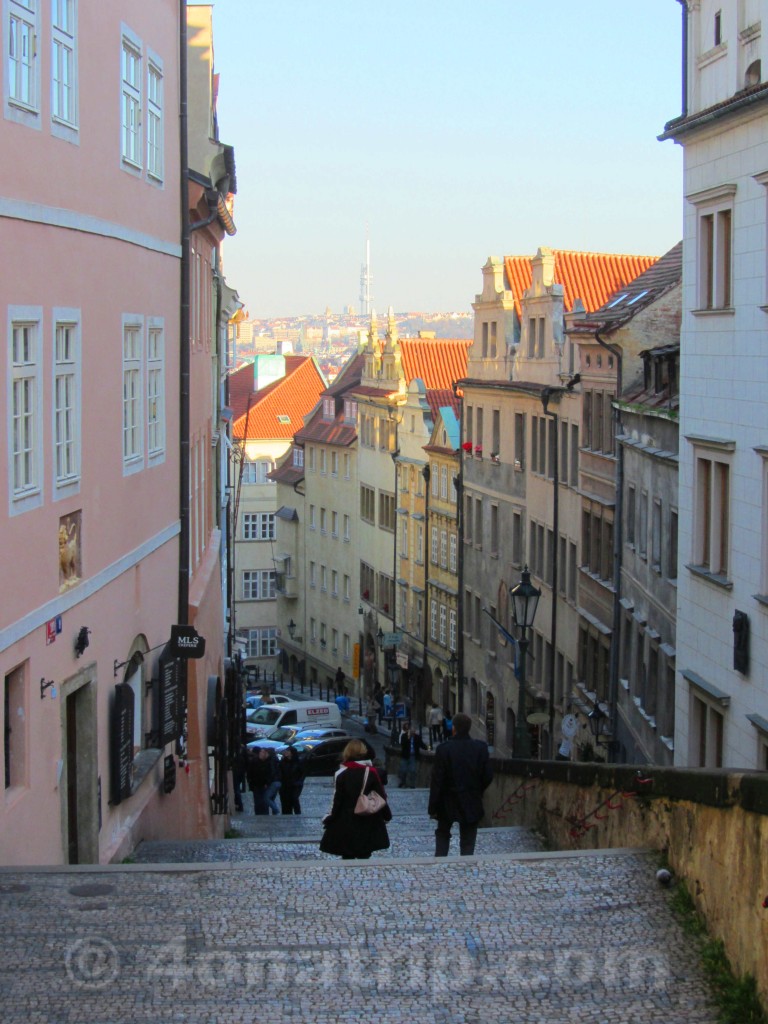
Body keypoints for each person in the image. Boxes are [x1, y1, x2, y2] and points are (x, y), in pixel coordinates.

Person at [428, 712, 493, 856]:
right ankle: (466, 861)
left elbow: (437, 779)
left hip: (447, 799)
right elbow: (488, 775)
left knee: (443, 832)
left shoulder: (443, 749)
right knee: (468, 836)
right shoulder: (480, 748)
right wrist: (477, 789)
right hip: (471, 797)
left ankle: (440, 860)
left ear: (454, 728)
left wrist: (433, 806)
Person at [319, 739, 391, 859]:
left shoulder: (341, 773)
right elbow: (380, 796)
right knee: (365, 854)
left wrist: (330, 818)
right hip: (367, 818)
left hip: (346, 818)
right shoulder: (371, 771)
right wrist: (386, 815)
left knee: (347, 854)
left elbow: (337, 799)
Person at [246, 746, 275, 815]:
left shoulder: (269, 762)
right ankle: (258, 814)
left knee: (265, 801)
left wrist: (267, 782)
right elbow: (249, 772)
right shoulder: (254, 761)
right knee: (257, 801)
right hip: (255, 784)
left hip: (265, 785)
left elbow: (271, 773)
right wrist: (250, 781)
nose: (262, 754)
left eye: (264, 752)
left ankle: (265, 814)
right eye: (261, 752)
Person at [278, 746, 306, 814]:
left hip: (295, 785)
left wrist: (299, 782)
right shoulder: (283, 762)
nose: (286, 752)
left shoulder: (298, 762)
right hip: (285, 785)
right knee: (285, 802)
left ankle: (297, 814)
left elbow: (303, 773)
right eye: (286, 751)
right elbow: (280, 773)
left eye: (288, 751)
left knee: (294, 799)